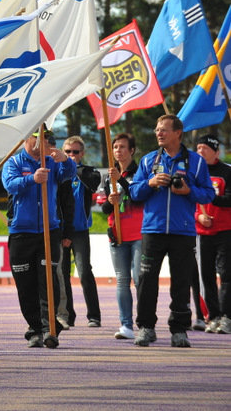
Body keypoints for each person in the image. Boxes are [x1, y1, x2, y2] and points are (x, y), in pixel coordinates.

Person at [129, 115, 214, 348]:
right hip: (152, 231)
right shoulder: (147, 161)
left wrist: (188, 190)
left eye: (164, 130)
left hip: (183, 232)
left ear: (178, 133)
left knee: (181, 282)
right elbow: (134, 193)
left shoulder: (196, 162)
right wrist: (150, 183)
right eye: (157, 129)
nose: (159, 133)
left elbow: (209, 194)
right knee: (146, 281)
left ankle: (179, 330)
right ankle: (146, 328)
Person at [2, 128, 76, 348]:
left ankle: (49, 329)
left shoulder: (51, 161)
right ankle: (34, 328)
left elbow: (69, 174)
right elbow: (10, 185)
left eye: (46, 136)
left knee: (48, 281)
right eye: (39, 136)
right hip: (21, 232)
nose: (44, 140)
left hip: (48, 230)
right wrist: (32, 180)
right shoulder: (14, 162)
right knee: (25, 285)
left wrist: (66, 161)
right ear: (27, 138)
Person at [101, 132, 145, 340]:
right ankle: (126, 325)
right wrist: (111, 201)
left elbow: (140, 197)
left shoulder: (141, 171)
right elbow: (105, 209)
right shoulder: (108, 175)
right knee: (122, 280)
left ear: (132, 150)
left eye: (122, 147)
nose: (118, 151)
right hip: (117, 235)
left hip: (139, 233)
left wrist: (123, 182)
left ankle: (145, 323)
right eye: (115, 147)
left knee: (140, 279)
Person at [58, 136, 102, 328]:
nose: (72, 155)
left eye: (76, 152)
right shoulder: (58, 173)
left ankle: (94, 316)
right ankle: (68, 315)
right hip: (60, 230)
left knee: (84, 273)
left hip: (80, 230)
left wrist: (72, 166)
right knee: (63, 274)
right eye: (68, 152)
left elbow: (93, 184)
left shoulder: (88, 171)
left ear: (82, 154)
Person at [193, 134, 231, 334]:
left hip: (225, 230)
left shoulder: (227, 172)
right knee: (206, 275)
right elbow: (187, 201)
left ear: (216, 152)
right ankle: (213, 317)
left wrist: (211, 198)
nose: (200, 151)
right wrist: (198, 217)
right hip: (202, 232)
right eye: (198, 148)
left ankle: (227, 317)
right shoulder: (194, 173)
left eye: (205, 148)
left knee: (226, 275)